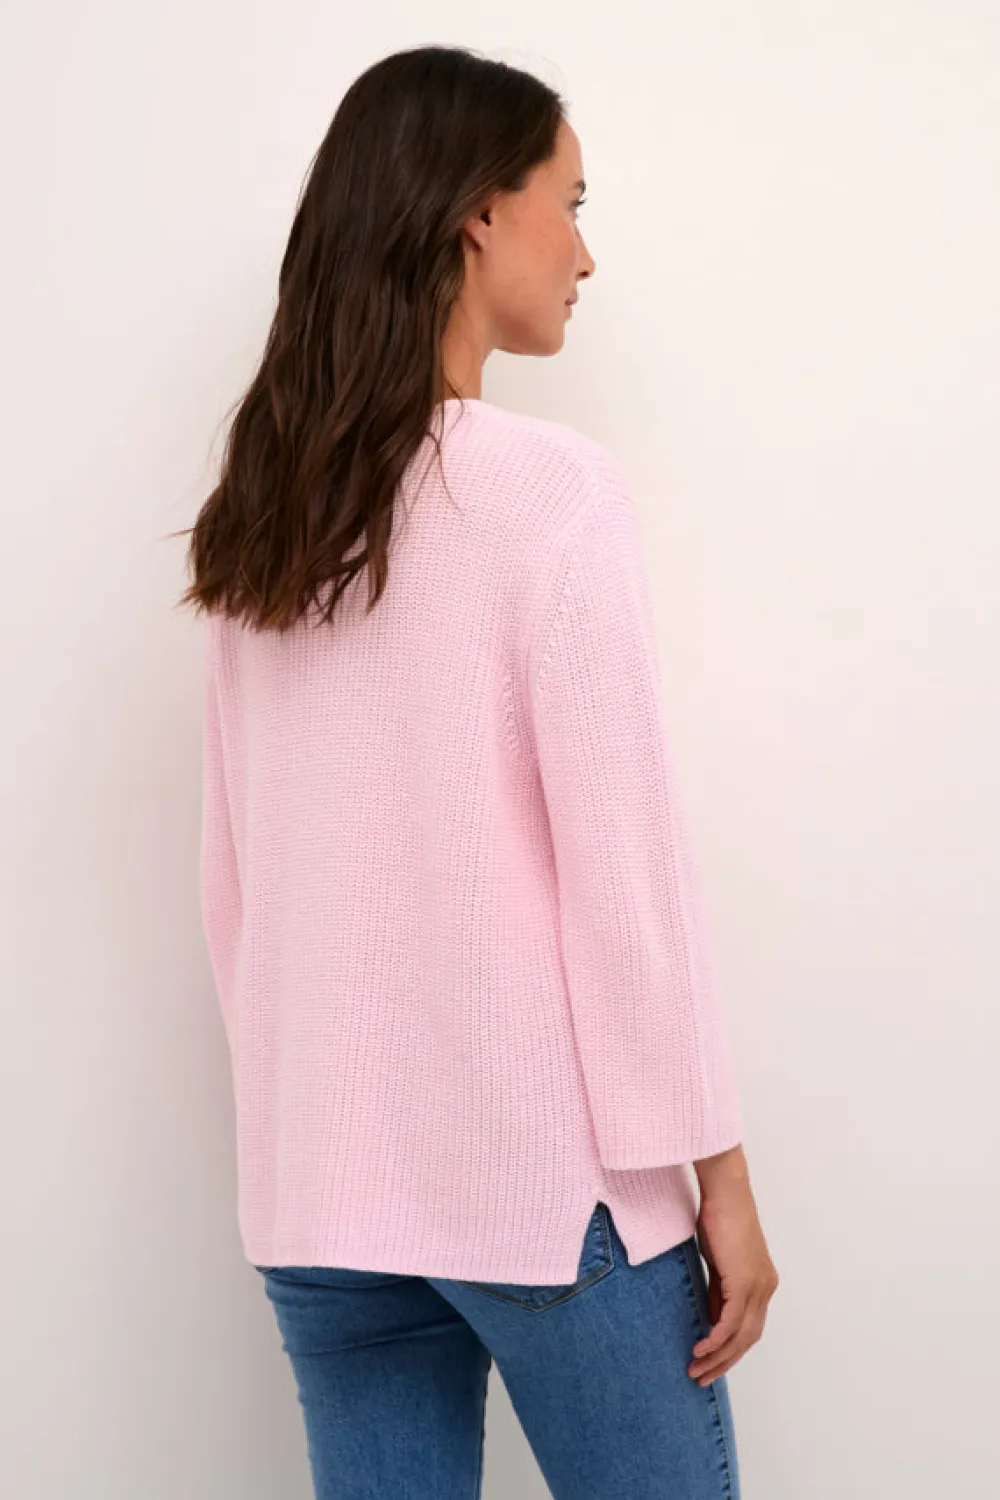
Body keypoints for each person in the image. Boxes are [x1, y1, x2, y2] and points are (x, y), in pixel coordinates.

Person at [179, 43, 778, 1500]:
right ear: (477, 214)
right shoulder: (547, 494)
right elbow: (623, 880)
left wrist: (314, 1128)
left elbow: (235, 888)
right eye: (569, 203)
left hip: (321, 1196)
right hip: (542, 1195)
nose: (585, 252)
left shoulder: (264, 523)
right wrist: (719, 1175)